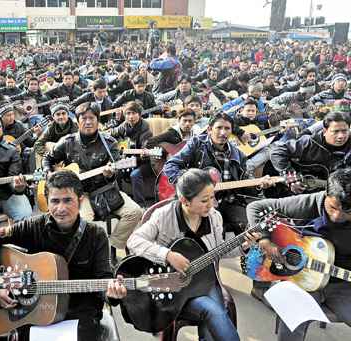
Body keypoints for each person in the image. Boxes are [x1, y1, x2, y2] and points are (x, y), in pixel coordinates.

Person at [0, 170, 127, 341]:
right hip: (35, 311)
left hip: (80, 315)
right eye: (55, 201)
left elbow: (104, 280)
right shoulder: (33, 226)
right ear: (47, 203)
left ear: (80, 201)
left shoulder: (96, 235)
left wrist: (112, 294)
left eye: (67, 200)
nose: (61, 208)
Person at [127, 168, 259, 341]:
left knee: (212, 319)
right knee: (213, 311)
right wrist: (167, 255)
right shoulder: (163, 216)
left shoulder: (215, 217)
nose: (211, 204)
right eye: (204, 200)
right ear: (184, 200)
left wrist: (244, 246)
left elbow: (218, 250)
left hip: (204, 280)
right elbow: (134, 241)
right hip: (172, 287)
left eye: (212, 197)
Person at [246, 168, 351, 341]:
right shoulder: (310, 202)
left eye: (347, 212)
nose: (336, 215)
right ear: (326, 194)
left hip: (342, 284)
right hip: (302, 276)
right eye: (332, 207)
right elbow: (256, 207)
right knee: (293, 317)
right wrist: (265, 240)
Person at [43, 102, 143, 252]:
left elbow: (118, 170)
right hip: (78, 194)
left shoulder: (110, 143)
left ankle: (111, 247)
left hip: (105, 190)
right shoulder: (67, 142)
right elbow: (48, 158)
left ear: (98, 120)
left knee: (135, 212)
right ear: (77, 121)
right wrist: (48, 173)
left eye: (92, 118)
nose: (88, 122)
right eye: (84, 118)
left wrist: (111, 174)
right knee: (82, 223)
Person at [163, 113, 273, 234]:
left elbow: (245, 185)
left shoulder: (239, 155)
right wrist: (191, 182)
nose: (223, 132)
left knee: (256, 229)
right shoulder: (197, 144)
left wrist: (258, 185)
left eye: (227, 128)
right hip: (200, 201)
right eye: (219, 128)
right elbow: (170, 166)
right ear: (210, 129)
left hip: (229, 202)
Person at [269, 111, 351, 193]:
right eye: (335, 131)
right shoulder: (309, 142)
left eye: (344, 131)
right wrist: (290, 177)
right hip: (300, 192)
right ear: (325, 131)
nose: (341, 136)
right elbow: (277, 151)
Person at [109, 101, 153, 207]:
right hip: (129, 160)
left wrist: (143, 154)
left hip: (144, 162)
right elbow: (114, 132)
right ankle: (120, 202)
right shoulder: (125, 125)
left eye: (134, 113)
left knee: (135, 175)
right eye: (128, 113)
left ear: (139, 114)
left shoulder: (146, 130)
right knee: (115, 169)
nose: (131, 116)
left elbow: (144, 151)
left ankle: (141, 205)